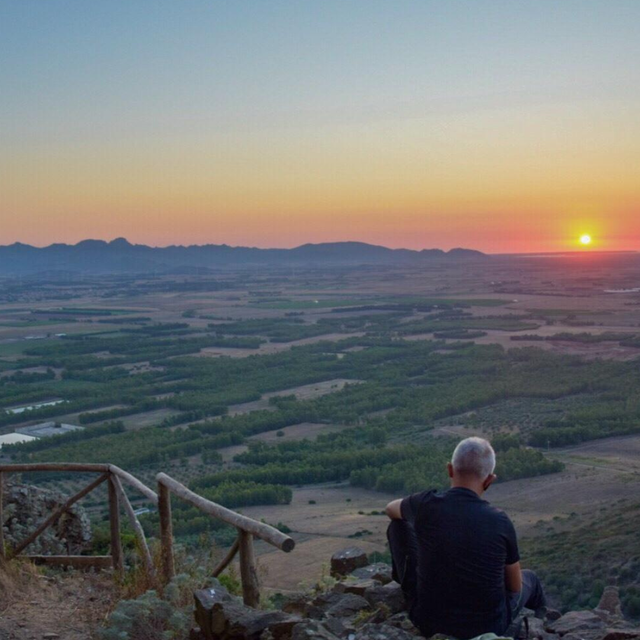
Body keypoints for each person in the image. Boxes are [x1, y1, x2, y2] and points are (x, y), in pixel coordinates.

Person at [385, 437, 546, 639]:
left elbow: (391, 509)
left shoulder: (426, 504)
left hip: (428, 621)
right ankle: (543, 623)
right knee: (530, 579)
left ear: (450, 470)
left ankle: (407, 584)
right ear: (489, 480)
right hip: (488, 626)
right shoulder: (500, 521)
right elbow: (514, 587)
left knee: (397, 525)